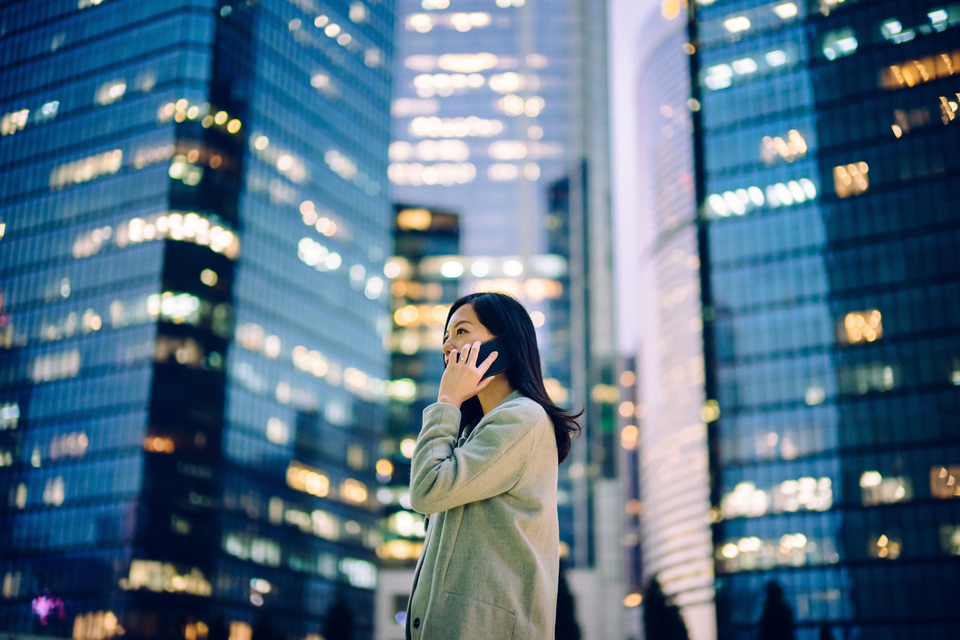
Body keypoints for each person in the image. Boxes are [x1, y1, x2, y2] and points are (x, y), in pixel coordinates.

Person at [405, 292, 582, 640]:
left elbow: (427, 490)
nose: (447, 346)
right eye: (445, 336)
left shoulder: (523, 418)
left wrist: (448, 400)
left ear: (501, 345)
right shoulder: (472, 432)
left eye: (461, 332)